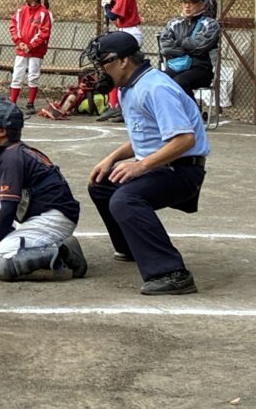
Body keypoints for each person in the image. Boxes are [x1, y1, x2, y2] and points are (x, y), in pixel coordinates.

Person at [85, 31, 209, 295]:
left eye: (103, 63)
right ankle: (133, 247)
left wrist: (140, 166)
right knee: (102, 185)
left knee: (125, 199)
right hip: (163, 166)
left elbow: (184, 139)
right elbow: (147, 136)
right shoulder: (131, 87)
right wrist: (113, 158)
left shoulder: (155, 87)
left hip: (182, 170)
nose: (100, 71)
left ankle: (172, 273)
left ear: (123, 61)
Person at [0, 98, 87, 281]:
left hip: (54, 218)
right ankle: (27, 242)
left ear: (2, 131)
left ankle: (61, 251)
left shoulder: (11, 158)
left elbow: (8, 208)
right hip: (41, 208)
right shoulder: (4, 149)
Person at [98, 0, 142, 123]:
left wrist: (106, 6)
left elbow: (113, 16)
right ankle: (114, 105)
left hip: (130, 34)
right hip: (125, 32)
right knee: (115, 68)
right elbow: (115, 9)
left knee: (110, 60)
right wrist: (110, 1)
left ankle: (117, 106)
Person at [159, 0, 220, 99]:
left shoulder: (211, 24)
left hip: (201, 68)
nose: (187, 6)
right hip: (177, 66)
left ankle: (193, 114)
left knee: (179, 82)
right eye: (184, 2)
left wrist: (179, 42)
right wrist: (186, 49)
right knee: (159, 80)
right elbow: (165, 47)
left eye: (192, 2)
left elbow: (200, 46)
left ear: (202, 5)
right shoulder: (173, 23)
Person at [8, 0, 52, 115]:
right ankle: (12, 102)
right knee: (17, 75)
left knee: (33, 75)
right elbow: (13, 27)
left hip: (36, 51)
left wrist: (31, 46)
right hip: (22, 49)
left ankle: (30, 103)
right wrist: (19, 42)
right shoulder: (21, 11)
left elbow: (44, 32)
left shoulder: (44, 14)